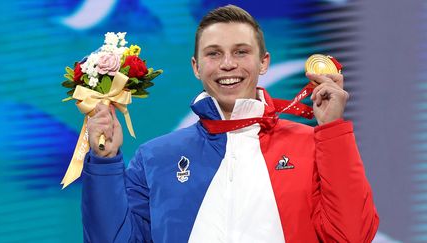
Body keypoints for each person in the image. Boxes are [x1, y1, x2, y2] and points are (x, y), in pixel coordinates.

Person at [82, 4, 379, 243]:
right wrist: (104, 162)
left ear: (263, 62)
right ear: (196, 67)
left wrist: (332, 131)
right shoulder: (155, 158)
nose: (228, 64)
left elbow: (352, 236)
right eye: (214, 53)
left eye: (241, 51)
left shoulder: (312, 146)